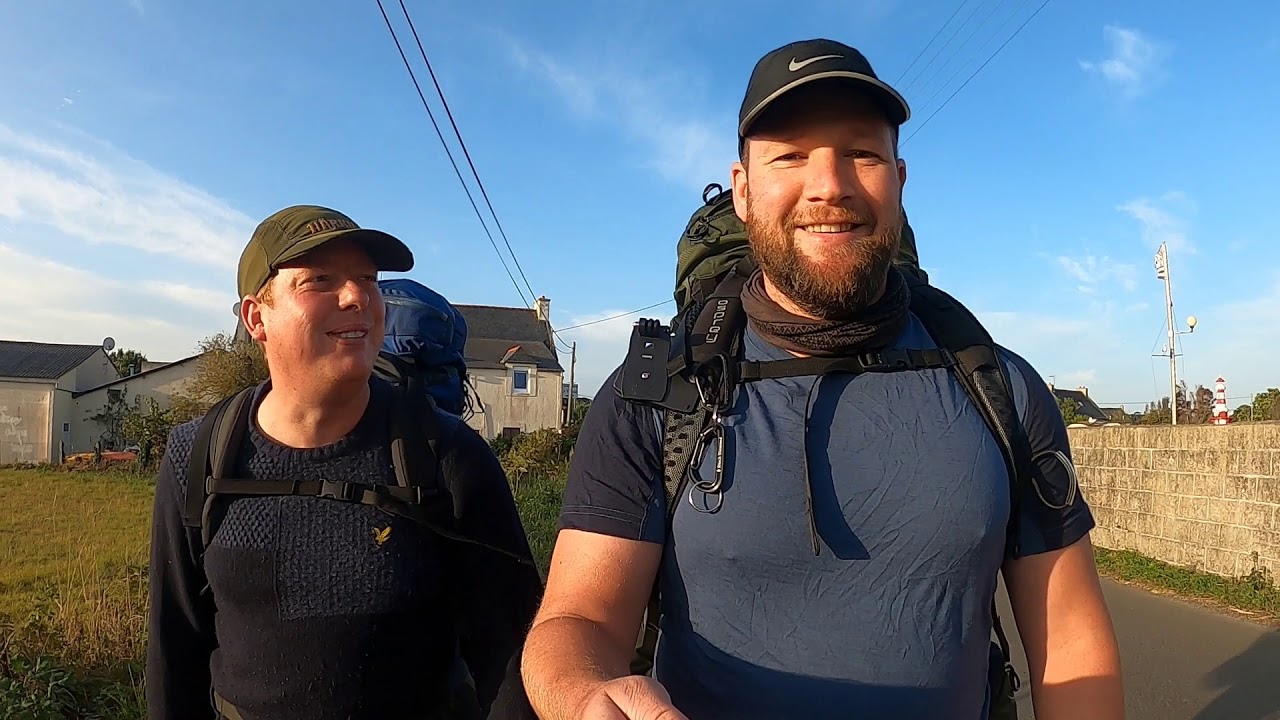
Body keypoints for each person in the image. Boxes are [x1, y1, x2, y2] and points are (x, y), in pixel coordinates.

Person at [520, 39, 1124, 720]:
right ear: (743, 192)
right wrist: (582, 693)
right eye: (790, 155)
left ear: (899, 179)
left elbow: (1070, 646)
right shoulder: (657, 390)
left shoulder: (1000, 386)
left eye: (861, 153)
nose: (830, 184)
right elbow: (580, 621)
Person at [146, 205, 542, 720]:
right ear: (256, 317)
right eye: (320, 280)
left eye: (366, 279)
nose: (357, 296)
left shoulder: (447, 456)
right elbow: (174, 651)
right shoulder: (198, 456)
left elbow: (510, 658)